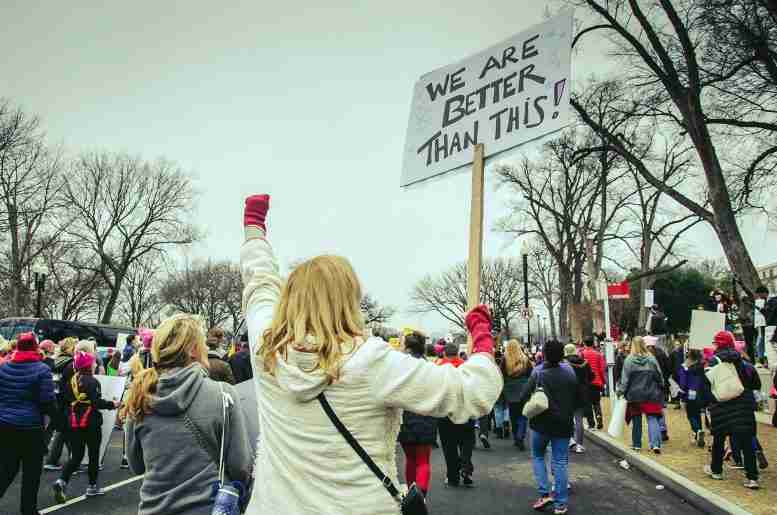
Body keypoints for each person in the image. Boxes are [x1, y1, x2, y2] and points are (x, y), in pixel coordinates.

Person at [240, 194, 502, 514]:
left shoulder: (266, 350)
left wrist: (254, 229)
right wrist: (481, 335)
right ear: (350, 300)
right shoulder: (370, 362)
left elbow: (259, 282)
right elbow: (472, 392)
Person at [123, 314, 253, 515]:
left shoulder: (139, 395)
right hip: (207, 508)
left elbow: (136, 466)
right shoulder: (223, 394)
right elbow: (240, 467)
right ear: (193, 350)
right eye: (203, 344)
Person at [517, 340, 578, 515]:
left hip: (541, 423)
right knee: (560, 462)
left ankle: (544, 494)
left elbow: (523, 394)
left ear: (543, 354)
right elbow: (576, 396)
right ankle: (561, 503)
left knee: (537, 455)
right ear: (562, 355)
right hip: (563, 423)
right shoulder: (569, 372)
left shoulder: (538, 372)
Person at [0, 332, 57, 515]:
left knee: (7, 468)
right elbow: (47, 401)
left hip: (5, 424)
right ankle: (28, 510)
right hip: (30, 428)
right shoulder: (42, 370)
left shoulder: (4, 367)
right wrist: (59, 421)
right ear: (35, 348)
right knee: (31, 473)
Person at [52, 349, 118, 502]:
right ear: (89, 365)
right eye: (93, 362)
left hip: (74, 422)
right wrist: (112, 404)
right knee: (94, 455)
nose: (95, 364)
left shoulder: (71, 381)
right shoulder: (93, 382)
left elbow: (67, 400)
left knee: (76, 456)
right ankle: (92, 487)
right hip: (91, 423)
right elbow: (96, 403)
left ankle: (62, 480)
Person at [703, 330, 761, 489]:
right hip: (743, 406)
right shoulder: (742, 361)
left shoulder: (713, 361)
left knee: (718, 440)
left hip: (721, 406)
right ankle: (752, 477)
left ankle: (716, 471)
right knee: (746, 442)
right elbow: (755, 383)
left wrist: (710, 400)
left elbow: (707, 384)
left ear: (718, 344)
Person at [397, 331, 437, 496]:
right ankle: (420, 497)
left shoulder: (399, 367)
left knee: (410, 459)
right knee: (423, 461)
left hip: (405, 415)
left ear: (407, 347)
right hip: (426, 414)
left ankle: (410, 496)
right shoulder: (430, 367)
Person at [618, 336, 665, 454]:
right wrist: (661, 385)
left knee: (636, 420)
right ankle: (655, 444)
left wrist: (621, 391)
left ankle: (637, 444)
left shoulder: (629, 360)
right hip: (651, 393)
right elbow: (659, 375)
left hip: (635, 395)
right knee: (652, 418)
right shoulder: (651, 359)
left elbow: (625, 380)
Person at [44, 337, 78, 472]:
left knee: (62, 430)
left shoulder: (56, 360)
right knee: (66, 430)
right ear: (70, 348)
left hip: (55, 398)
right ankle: (72, 461)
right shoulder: (70, 363)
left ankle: (59, 459)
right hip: (65, 401)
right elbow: (69, 384)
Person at [502, 339, 533, 450]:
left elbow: (502, 375)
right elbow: (531, 375)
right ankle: (521, 435)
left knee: (513, 415)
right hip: (524, 389)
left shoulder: (505, 360)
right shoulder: (525, 360)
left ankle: (516, 436)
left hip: (510, 390)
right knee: (523, 415)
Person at [677, 349, 710, 448]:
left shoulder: (685, 368)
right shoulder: (701, 367)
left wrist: (681, 394)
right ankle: (698, 433)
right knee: (697, 413)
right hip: (700, 393)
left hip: (689, 393)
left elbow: (683, 383)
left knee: (690, 414)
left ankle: (697, 430)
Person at [565, 343, 593, 453]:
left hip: (567, 393)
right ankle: (580, 444)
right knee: (579, 419)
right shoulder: (584, 362)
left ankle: (571, 439)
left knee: (567, 418)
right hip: (582, 393)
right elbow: (591, 376)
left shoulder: (563, 363)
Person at [645, 336, 672, 441]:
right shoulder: (661, 353)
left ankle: (657, 431)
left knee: (651, 412)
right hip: (661, 385)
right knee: (660, 408)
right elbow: (668, 367)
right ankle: (663, 430)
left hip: (650, 386)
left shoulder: (645, 357)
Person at [580, 337, 606, 430]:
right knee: (596, 402)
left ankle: (591, 423)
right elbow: (602, 370)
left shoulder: (582, 354)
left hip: (586, 382)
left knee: (588, 404)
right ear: (592, 344)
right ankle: (599, 419)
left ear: (584, 343)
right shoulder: (599, 354)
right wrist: (603, 382)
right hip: (597, 382)